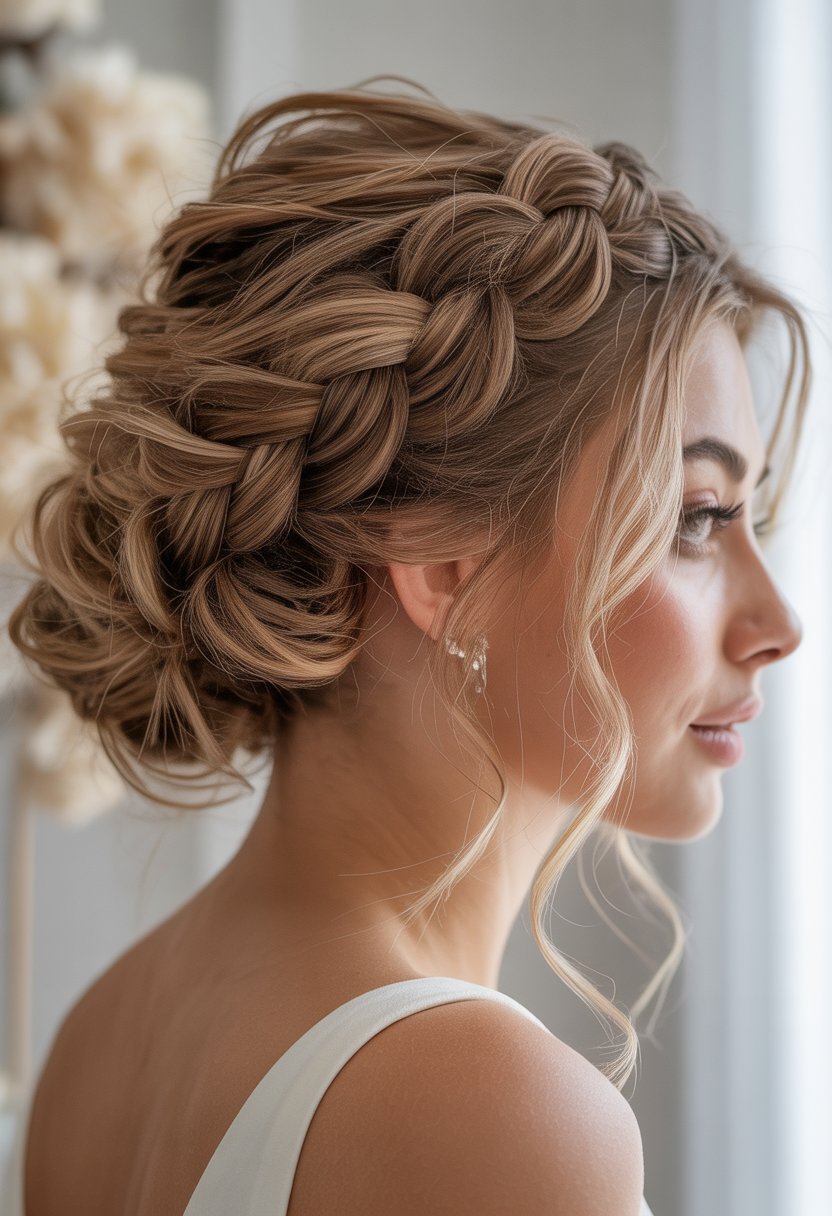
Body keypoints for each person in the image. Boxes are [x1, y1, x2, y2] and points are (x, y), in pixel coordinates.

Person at [5, 78, 810, 1215]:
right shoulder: (493, 1116)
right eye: (694, 518)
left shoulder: (104, 1034)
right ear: (443, 569)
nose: (778, 624)